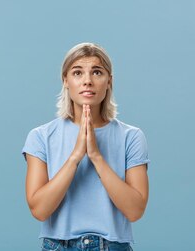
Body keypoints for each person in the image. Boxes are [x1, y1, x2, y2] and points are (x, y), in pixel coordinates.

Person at [22, 42, 150, 251]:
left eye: (97, 72)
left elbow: (135, 211)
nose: (87, 81)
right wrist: (75, 156)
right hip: (58, 246)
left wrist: (96, 156)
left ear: (109, 81)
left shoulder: (131, 137)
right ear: (65, 80)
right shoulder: (41, 137)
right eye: (78, 73)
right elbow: (40, 210)